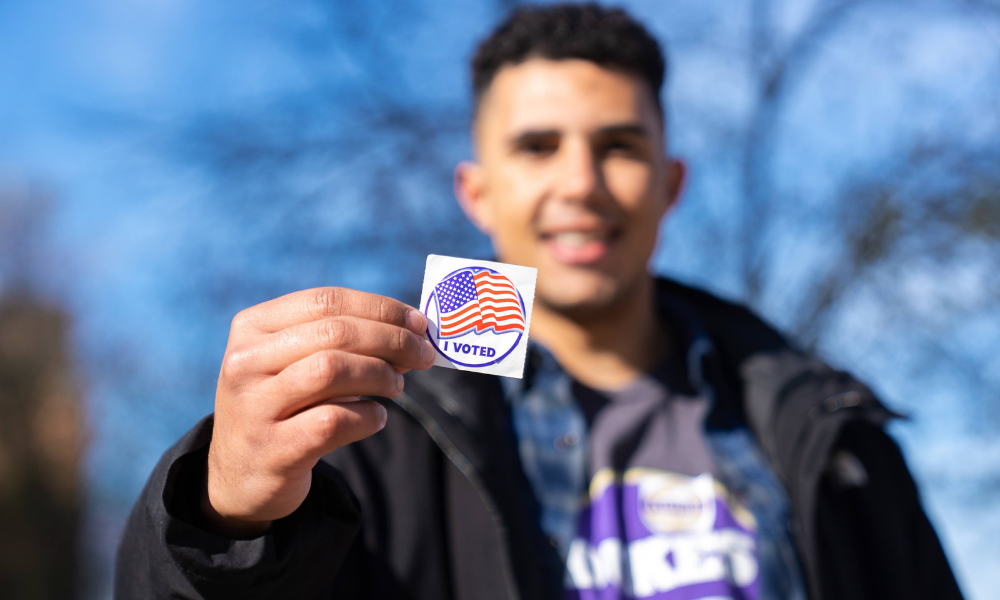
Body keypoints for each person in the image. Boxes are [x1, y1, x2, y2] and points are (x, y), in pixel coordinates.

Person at [115, 4, 964, 599]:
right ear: (476, 194)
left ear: (670, 185)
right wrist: (223, 516)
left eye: (619, 146)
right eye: (537, 146)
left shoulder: (833, 437)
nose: (580, 184)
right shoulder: (364, 440)